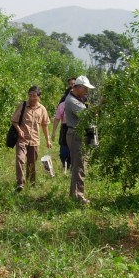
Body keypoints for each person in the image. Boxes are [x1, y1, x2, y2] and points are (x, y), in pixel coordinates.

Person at [11, 85, 51, 191]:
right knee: (20, 159)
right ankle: (20, 183)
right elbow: (14, 120)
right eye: (30, 95)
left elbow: (45, 125)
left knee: (32, 163)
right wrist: (19, 130)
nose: (32, 98)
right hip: (22, 139)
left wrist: (48, 140)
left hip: (35, 140)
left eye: (34, 96)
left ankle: (31, 183)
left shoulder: (42, 109)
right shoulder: (23, 105)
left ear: (39, 97)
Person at [64, 75, 95, 204]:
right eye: (85, 88)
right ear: (79, 87)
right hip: (76, 134)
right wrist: (100, 105)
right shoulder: (72, 100)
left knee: (80, 165)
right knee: (79, 166)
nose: (87, 91)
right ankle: (78, 197)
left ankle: (75, 195)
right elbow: (86, 115)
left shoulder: (80, 99)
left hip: (79, 134)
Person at [51, 77, 76, 171]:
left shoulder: (82, 101)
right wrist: (53, 132)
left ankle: (72, 167)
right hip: (65, 127)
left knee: (74, 150)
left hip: (76, 128)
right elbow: (57, 118)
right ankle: (65, 166)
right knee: (64, 151)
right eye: (70, 84)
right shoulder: (63, 104)